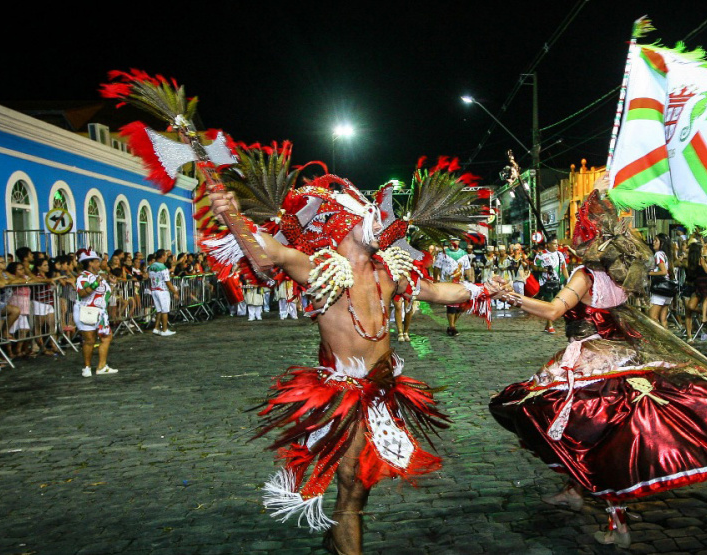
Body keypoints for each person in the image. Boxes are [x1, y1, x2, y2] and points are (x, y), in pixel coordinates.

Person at [488, 177, 707, 548]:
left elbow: (554, 310)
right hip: (620, 355)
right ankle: (574, 491)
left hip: (590, 363)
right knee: (587, 431)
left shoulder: (585, 275)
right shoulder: (620, 275)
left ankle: (616, 524)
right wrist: (600, 194)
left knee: (590, 437)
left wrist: (510, 296)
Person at [205, 165, 497, 554]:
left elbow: (438, 291)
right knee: (351, 483)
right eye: (366, 218)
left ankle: (338, 535)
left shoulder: (387, 271)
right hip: (343, 394)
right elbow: (266, 250)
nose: (377, 222)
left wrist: (482, 288)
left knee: (360, 485)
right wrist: (228, 213)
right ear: (343, 228)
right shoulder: (317, 270)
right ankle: (345, 542)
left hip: (382, 392)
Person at [74, 249, 118, 377]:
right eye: (97, 262)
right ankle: (87, 367)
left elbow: (105, 295)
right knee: (89, 340)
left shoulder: (100, 277)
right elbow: (82, 294)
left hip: (100, 312)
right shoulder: (83, 277)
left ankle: (101, 366)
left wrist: (112, 285)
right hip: (87, 310)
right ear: (91, 263)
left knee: (106, 337)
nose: (100, 264)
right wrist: (95, 283)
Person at [434, 238, 473, 336]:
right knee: (451, 306)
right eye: (451, 240)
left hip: (460, 283)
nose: (453, 243)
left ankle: (452, 325)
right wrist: (436, 280)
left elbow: (468, 268)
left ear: (459, 242)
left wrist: (471, 280)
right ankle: (452, 327)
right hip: (447, 283)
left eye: (455, 240)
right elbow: (436, 267)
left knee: (461, 307)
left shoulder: (464, 254)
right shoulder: (443, 253)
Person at [533, 238, 568, 334]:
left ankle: (547, 325)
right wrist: (542, 269)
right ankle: (550, 326)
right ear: (548, 244)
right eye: (554, 244)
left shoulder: (560, 254)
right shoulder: (541, 255)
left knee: (557, 304)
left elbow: (564, 268)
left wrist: (568, 280)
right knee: (549, 304)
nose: (557, 246)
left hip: (558, 282)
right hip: (546, 283)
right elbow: (534, 266)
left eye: (557, 244)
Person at [149, 249, 179, 336]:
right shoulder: (163, 268)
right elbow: (168, 282)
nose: (166, 257)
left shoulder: (152, 266)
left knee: (159, 310)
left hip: (154, 290)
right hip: (162, 290)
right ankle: (165, 329)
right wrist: (174, 292)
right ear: (162, 256)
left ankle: (156, 327)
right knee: (165, 310)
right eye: (165, 255)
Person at [647, 233, 674, 328]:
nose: (653, 242)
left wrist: (650, 273)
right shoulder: (667, 255)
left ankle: (660, 340)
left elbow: (663, 271)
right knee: (663, 319)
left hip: (660, 289)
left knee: (652, 317)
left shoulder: (658, 254)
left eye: (656, 240)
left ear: (662, 243)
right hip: (668, 289)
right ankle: (668, 341)